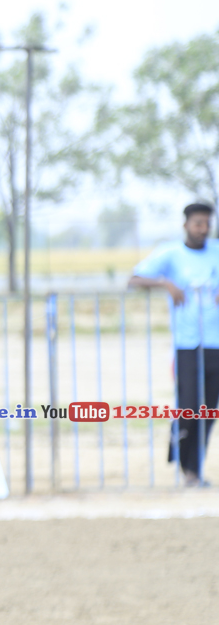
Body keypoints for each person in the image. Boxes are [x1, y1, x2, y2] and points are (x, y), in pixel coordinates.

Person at [130, 201, 219, 487]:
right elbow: (134, 279)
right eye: (198, 223)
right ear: (186, 225)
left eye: (207, 224)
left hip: (216, 342)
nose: (203, 229)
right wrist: (165, 283)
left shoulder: (216, 251)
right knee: (189, 406)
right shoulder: (171, 253)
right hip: (187, 343)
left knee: (209, 410)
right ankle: (180, 453)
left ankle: (193, 471)